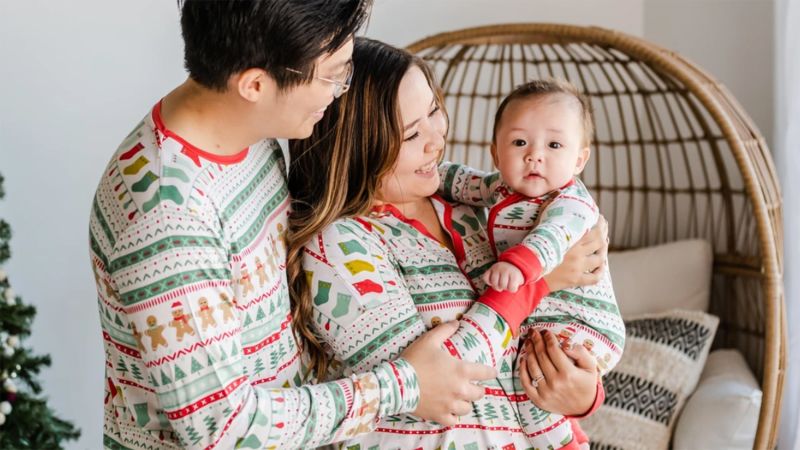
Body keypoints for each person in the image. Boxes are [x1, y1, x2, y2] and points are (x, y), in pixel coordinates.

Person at [89, 2, 502, 449]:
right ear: (254, 84)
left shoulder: (248, 127)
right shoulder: (167, 216)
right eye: (332, 76)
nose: (340, 91)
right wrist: (402, 386)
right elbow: (224, 430)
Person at [287, 37, 610, 450]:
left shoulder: (475, 205)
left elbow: (550, 329)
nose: (436, 140)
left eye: (434, 111)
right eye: (410, 135)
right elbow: (442, 380)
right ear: (355, 150)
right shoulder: (338, 247)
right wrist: (539, 283)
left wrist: (582, 394)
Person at [438, 78, 626, 448]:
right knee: (528, 375)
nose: (534, 155)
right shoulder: (500, 188)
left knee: (530, 380)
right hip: (543, 317)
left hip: (584, 324)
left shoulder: (571, 202)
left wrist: (520, 266)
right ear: (495, 153)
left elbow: (552, 238)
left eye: (554, 145)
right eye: (519, 142)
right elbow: (460, 182)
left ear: (579, 158)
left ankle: (565, 443)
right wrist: (428, 171)